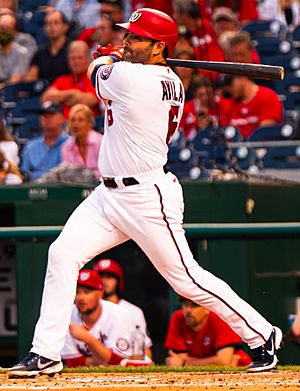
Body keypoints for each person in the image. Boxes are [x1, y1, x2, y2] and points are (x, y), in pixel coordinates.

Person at [8, 8, 283, 378]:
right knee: (62, 254)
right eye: (128, 36)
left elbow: (95, 73)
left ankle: (263, 335)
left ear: (157, 48)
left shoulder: (133, 79)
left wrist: (105, 57)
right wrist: (116, 58)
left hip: (147, 196)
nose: (126, 41)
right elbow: (112, 71)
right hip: (108, 196)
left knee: (187, 279)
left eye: (135, 38)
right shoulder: (163, 78)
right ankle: (45, 352)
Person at [61, 269, 137, 367]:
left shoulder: (120, 315)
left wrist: (88, 339)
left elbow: (117, 360)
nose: (81, 297)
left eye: (87, 292)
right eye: (77, 292)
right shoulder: (66, 315)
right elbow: (73, 362)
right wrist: (104, 358)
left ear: (100, 294)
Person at [165, 297, 252, 367]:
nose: (188, 310)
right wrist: (215, 361)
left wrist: (185, 362)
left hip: (240, 374)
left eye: (195, 306)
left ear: (208, 308)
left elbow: (224, 361)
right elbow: (177, 360)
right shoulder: (178, 318)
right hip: (203, 377)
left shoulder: (221, 318)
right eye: (185, 305)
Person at [93, 258, 153, 359]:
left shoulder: (133, 312)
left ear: (118, 281)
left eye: (109, 277)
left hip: (124, 365)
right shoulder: (85, 312)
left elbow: (143, 351)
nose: (104, 281)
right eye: (101, 277)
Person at [40, 40, 101, 119]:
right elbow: (45, 98)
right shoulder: (62, 80)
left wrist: (61, 98)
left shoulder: (94, 78)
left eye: (80, 58)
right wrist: (72, 93)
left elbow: (89, 100)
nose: (76, 62)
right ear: (68, 61)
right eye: (73, 58)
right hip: (63, 126)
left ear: (88, 59)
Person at [21, 101, 68, 181]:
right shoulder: (31, 147)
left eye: (51, 115)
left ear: (62, 118)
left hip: (62, 188)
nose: (47, 118)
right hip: (34, 188)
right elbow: (24, 173)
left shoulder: (70, 144)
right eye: (44, 115)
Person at [26, 10, 70, 84]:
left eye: (56, 23)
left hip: (68, 91)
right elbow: (30, 80)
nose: (51, 27)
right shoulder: (40, 53)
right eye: (48, 24)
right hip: (44, 92)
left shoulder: (73, 49)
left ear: (65, 27)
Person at [62, 103, 102, 179]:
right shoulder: (66, 146)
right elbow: (67, 174)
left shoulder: (100, 142)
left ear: (90, 123)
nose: (75, 124)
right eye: (73, 120)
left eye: (80, 120)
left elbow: (105, 172)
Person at [0, 13, 31, 89]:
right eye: (2, 28)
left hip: (12, 93)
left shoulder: (22, 53)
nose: (4, 32)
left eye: (8, 28)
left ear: (15, 32)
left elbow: (15, 81)